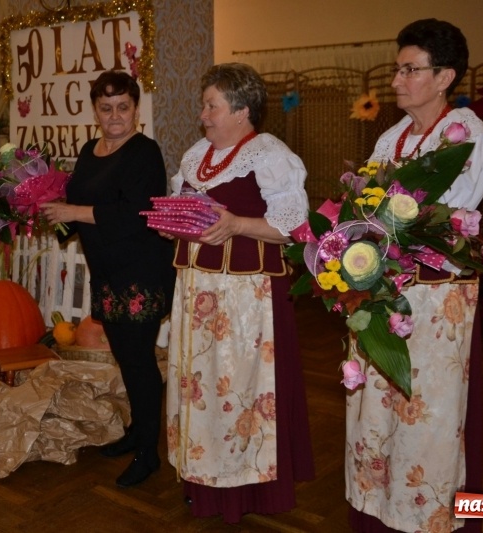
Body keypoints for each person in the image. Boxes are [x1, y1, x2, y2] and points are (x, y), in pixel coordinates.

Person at [345, 19, 483, 533]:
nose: (397, 80)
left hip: (435, 297)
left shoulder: (467, 132)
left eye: (411, 70)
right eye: (397, 67)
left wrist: (379, 228)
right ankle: (381, 511)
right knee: (379, 411)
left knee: (428, 414)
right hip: (385, 289)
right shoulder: (391, 136)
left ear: (445, 76)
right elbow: (365, 204)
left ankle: (431, 515)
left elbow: (445, 214)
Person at [163, 63, 315, 524]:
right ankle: (202, 479)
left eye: (212, 105)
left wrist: (237, 225)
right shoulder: (197, 155)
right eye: (204, 105)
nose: (203, 114)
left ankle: (245, 488)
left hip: (247, 302)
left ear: (243, 110)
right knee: (200, 388)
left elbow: (294, 228)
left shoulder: (270, 155)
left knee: (241, 391)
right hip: (197, 294)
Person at [41, 70, 175, 488]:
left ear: (136, 108)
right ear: (95, 110)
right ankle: (137, 430)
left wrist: (74, 214)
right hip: (107, 272)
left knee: (138, 360)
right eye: (106, 107)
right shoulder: (89, 149)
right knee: (126, 359)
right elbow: (82, 201)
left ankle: (149, 453)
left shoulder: (144, 152)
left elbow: (138, 213)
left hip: (141, 271)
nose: (115, 115)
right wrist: (50, 212)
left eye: (123, 106)